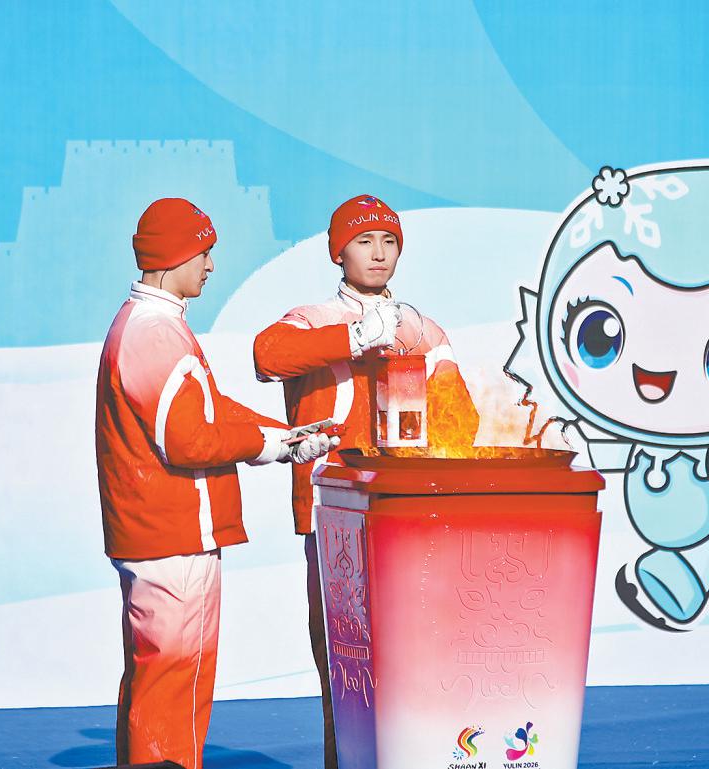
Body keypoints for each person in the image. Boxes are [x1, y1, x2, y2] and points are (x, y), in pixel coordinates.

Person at [95, 197, 338, 769]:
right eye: (203, 252)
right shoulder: (153, 334)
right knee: (175, 683)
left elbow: (208, 408)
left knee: (160, 678)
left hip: (162, 533)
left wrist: (284, 436)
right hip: (172, 535)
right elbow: (188, 439)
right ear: (174, 255)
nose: (210, 265)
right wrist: (269, 445)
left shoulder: (155, 326)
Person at [253, 194, 479, 768]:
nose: (378, 253)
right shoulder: (311, 319)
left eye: (389, 241)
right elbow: (267, 355)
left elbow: (463, 421)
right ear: (339, 252)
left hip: (409, 513)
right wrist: (356, 337)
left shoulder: (422, 329)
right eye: (363, 241)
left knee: (415, 652)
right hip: (332, 512)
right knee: (342, 654)